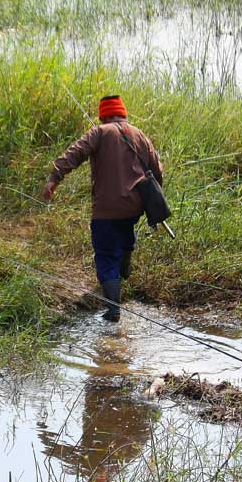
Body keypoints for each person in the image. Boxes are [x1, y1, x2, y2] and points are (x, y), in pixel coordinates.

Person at [42, 95, 163, 322]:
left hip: (106, 209)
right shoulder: (140, 135)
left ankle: (113, 310)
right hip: (134, 207)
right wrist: (153, 202)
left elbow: (75, 152)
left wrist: (54, 178)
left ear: (103, 116)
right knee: (125, 232)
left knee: (106, 254)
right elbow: (158, 170)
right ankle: (124, 269)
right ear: (124, 114)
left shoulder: (99, 132)